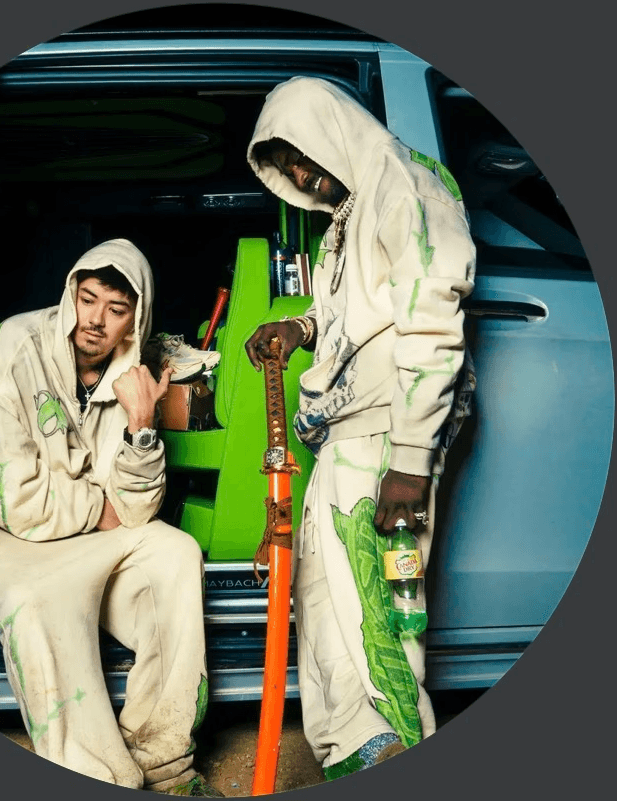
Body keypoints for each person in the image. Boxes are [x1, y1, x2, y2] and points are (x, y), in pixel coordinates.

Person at [245, 77, 476, 779]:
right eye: (286, 168)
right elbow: (355, 312)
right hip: (341, 430)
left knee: (377, 621)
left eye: (301, 157)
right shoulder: (348, 214)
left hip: (385, 432)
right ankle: (356, 751)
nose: (299, 176)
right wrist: (300, 326)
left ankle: (397, 748)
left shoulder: (404, 185)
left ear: (330, 130)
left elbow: (431, 322)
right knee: (325, 600)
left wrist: (408, 460)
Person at [0, 238, 222, 796]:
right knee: (33, 604)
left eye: (116, 310)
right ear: (70, 295)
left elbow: (135, 510)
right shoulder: (15, 344)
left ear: (136, 319)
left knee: (175, 552)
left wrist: (142, 424)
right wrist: (98, 507)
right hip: (16, 542)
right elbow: (14, 500)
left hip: (93, 534)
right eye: (87, 300)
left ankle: (164, 761)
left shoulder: (136, 372)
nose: (95, 320)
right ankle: (96, 775)